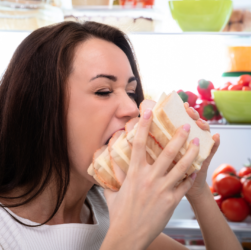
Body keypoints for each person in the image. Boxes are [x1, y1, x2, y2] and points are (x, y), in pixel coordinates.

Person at [0, 21, 242, 250]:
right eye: (104, 91)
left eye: (130, 92)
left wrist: (197, 189)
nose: (131, 108)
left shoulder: (104, 206)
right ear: (40, 107)